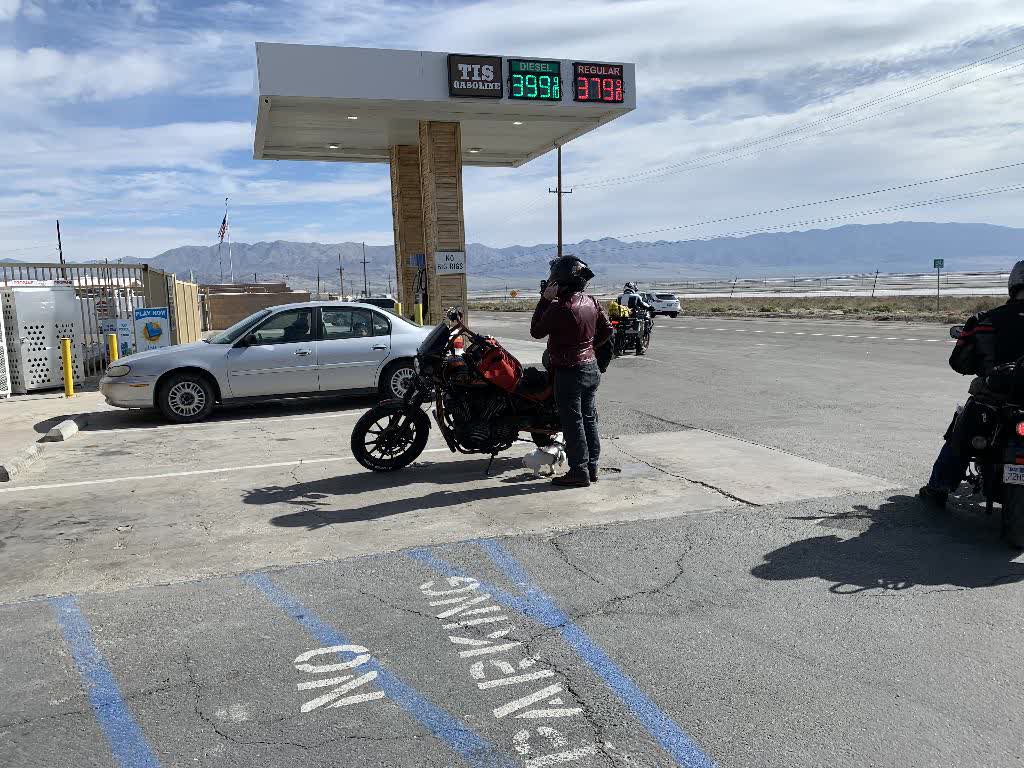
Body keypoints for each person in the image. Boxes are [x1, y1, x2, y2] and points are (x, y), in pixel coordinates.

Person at [920, 260, 1024, 506]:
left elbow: (959, 363)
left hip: (997, 398)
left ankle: (939, 487)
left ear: (1013, 284)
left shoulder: (986, 320)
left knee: (963, 427)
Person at [531, 256, 613, 487]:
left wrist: (544, 301)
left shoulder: (560, 308)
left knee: (573, 422)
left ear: (560, 282)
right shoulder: (592, 302)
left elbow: (536, 331)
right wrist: (588, 347)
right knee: (589, 420)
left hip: (569, 372)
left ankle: (579, 472)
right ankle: (592, 468)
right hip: (590, 368)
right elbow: (607, 331)